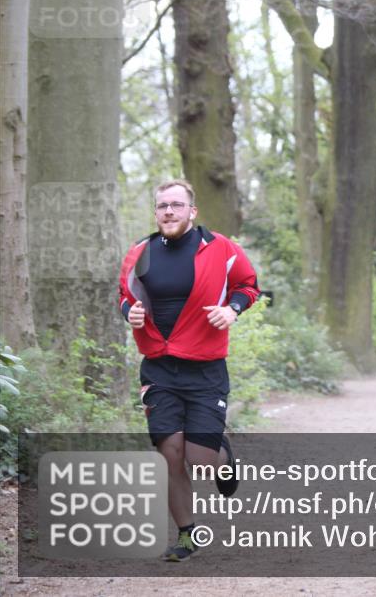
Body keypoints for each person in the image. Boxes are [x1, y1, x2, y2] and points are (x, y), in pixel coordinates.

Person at [118, 179, 260, 561]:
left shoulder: (220, 248)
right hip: (159, 368)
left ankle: (224, 460)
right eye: (162, 205)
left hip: (205, 368)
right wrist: (127, 312)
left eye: (176, 205)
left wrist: (232, 309)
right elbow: (124, 296)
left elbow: (248, 286)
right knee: (170, 452)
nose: (168, 211)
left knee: (199, 462)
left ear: (191, 211)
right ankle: (186, 536)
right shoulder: (140, 252)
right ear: (156, 212)